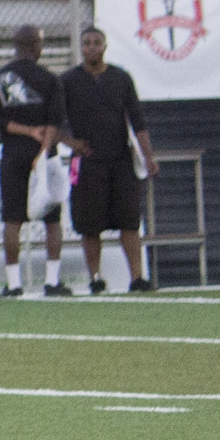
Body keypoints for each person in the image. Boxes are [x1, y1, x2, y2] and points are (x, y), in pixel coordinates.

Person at [60, 28, 157, 293]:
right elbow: (53, 121)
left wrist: (148, 157)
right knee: (90, 224)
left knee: (129, 221)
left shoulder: (120, 78)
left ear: (105, 45)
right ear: (81, 48)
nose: (92, 47)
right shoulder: (68, 81)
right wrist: (70, 142)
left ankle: (137, 277)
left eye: (96, 43)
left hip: (120, 158)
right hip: (87, 161)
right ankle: (95, 278)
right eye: (87, 43)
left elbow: (137, 120)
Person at [0, 26, 72, 296]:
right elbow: (54, 123)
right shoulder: (49, 80)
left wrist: (24, 131)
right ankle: (52, 281)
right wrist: (43, 153)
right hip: (44, 156)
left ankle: (13, 285)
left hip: (13, 153)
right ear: (36, 46)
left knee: (12, 220)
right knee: (52, 220)